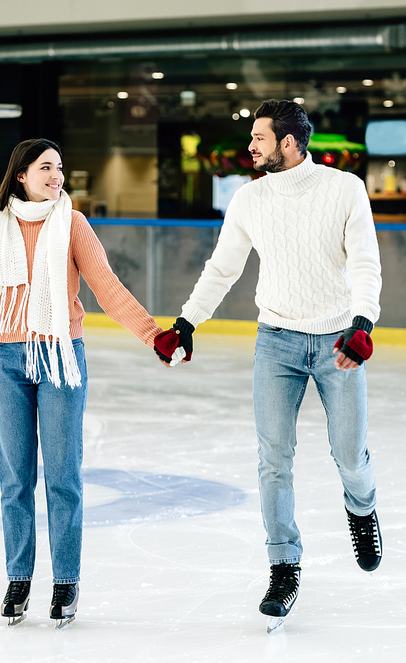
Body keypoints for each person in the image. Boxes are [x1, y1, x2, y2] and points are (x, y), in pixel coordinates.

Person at [0, 138, 163, 628]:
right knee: (14, 479)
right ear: (21, 174)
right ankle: (19, 579)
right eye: (46, 167)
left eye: (61, 168)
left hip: (59, 358)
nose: (57, 176)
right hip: (6, 360)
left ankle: (66, 580)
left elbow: (107, 287)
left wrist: (154, 335)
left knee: (63, 475)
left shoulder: (72, 224)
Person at [154, 99, 382, 630]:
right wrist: (186, 322)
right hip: (275, 341)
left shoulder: (344, 189)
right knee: (273, 458)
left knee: (349, 455)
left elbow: (366, 263)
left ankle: (363, 509)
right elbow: (223, 268)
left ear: (288, 142)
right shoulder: (249, 198)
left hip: (336, 342)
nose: (250, 146)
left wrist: (362, 322)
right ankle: (284, 565)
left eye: (259, 137)